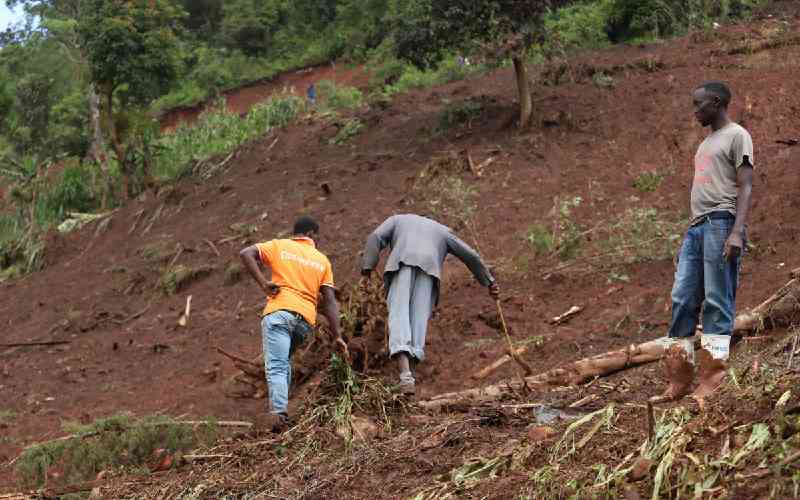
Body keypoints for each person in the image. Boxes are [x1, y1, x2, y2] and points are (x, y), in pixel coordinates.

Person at [653, 81, 754, 403]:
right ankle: (679, 380)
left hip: (721, 222)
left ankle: (713, 379)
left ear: (716, 102)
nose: (694, 110)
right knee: (682, 297)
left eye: (698, 104)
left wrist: (737, 231)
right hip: (696, 228)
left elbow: (746, 186)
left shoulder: (738, 135)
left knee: (716, 299)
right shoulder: (706, 142)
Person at [360, 214, 500, 395]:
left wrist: (367, 269)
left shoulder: (398, 219)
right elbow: (470, 255)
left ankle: (405, 376)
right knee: (418, 323)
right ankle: (409, 379)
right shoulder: (443, 231)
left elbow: (375, 237)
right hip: (429, 272)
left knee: (399, 315)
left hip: (402, 266)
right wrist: (490, 282)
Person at [240, 216, 347, 431]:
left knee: (277, 366)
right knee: (285, 362)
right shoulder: (322, 260)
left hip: (279, 313)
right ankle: (282, 411)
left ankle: (279, 415)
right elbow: (330, 302)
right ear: (312, 234)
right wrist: (338, 336)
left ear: (296, 233)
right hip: (304, 323)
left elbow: (246, 253)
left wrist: (264, 283)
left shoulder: (280, 246)